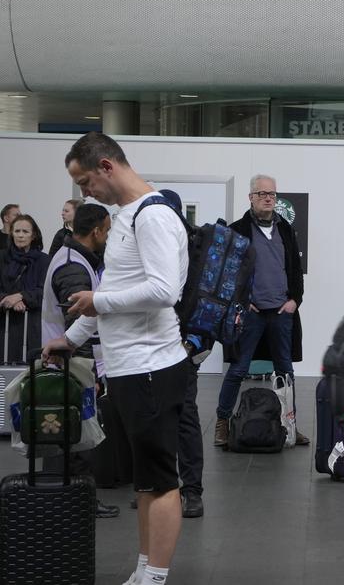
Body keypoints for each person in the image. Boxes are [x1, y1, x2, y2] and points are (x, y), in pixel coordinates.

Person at [43, 132, 192, 585]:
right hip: (130, 368)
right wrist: (71, 337)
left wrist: (96, 305)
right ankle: (145, 569)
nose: (84, 193)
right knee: (146, 480)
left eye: (85, 181)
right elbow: (110, 292)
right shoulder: (126, 215)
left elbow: (165, 291)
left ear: (107, 166)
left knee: (161, 479)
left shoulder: (154, 217)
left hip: (151, 368)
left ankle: (155, 577)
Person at [214, 174, 309, 448]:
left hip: (281, 313)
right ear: (251, 198)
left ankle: (289, 425)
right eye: (262, 193)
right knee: (238, 368)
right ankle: (222, 422)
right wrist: (242, 301)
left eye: (272, 194)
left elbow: (295, 271)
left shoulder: (286, 230)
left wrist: (295, 300)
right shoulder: (238, 230)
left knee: (286, 371)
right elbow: (227, 275)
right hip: (251, 314)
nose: (269, 198)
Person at [40, 202, 119, 518]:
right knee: (76, 437)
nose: (110, 238)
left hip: (72, 361)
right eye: (108, 231)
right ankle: (78, 503)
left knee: (72, 436)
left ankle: (73, 500)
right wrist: (92, 373)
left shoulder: (76, 258)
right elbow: (78, 324)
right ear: (97, 230)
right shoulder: (73, 267)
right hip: (72, 364)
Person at [148, 189, 208, 520]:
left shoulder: (195, 248)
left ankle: (191, 490)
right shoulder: (154, 246)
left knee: (182, 418)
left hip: (181, 348)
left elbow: (205, 301)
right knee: (160, 418)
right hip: (155, 347)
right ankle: (162, 486)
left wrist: (191, 345)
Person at [1, 214, 49, 362]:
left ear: (33, 235)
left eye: (25, 232)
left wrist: (21, 296)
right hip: (5, 323)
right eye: (17, 231)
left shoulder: (44, 260)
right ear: (11, 233)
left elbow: (46, 292)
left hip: (32, 325)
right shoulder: (2, 257)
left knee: (30, 368)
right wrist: (8, 299)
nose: (20, 235)